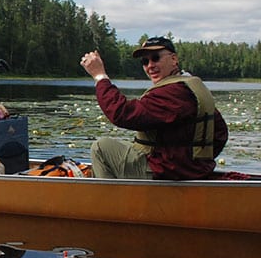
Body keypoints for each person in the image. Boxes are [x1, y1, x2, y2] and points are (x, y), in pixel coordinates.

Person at [79, 36, 228, 180]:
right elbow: (220, 133)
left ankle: (109, 203)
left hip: (168, 172)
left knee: (101, 147)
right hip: (186, 169)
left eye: (156, 58)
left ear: (174, 59)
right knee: (125, 146)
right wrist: (195, 163)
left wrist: (100, 76)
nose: (150, 65)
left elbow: (122, 113)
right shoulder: (191, 87)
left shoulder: (174, 92)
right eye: (145, 61)